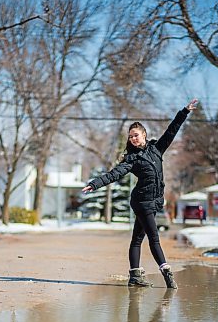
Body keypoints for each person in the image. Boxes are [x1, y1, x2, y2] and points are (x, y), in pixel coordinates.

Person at [82, 99, 198, 288]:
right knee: (154, 237)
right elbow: (114, 174)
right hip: (142, 202)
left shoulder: (157, 149)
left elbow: (172, 130)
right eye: (130, 137)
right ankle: (166, 272)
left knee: (137, 239)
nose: (133, 139)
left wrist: (184, 112)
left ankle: (135, 276)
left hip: (153, 201)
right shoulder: (131, 159)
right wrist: (95, 184)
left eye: (135, 135)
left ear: (144, 135)